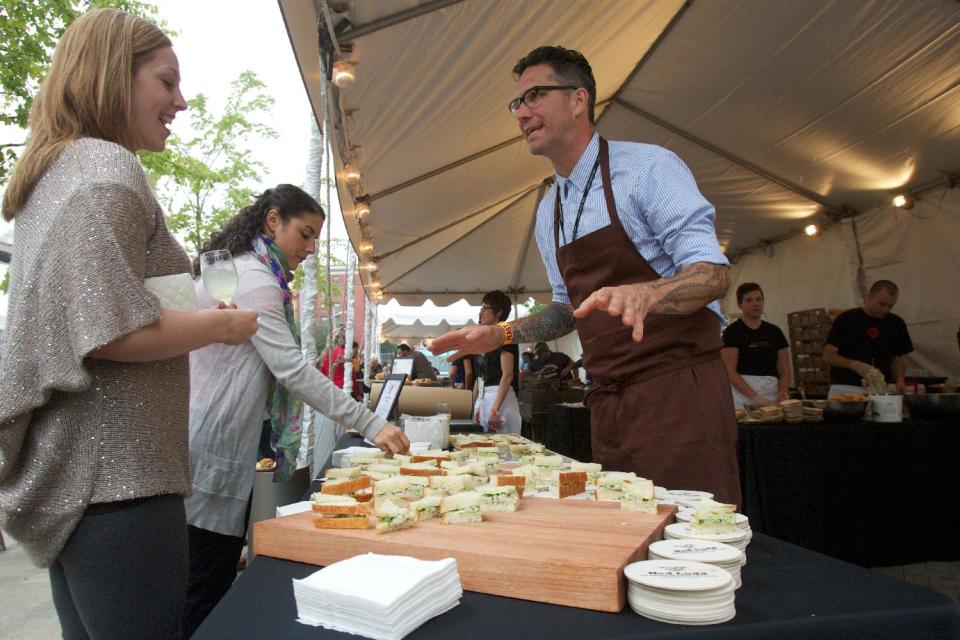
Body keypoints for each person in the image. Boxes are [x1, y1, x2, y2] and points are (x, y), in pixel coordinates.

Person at [0, 9, 259, 638]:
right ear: (117, 76)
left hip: (83, 476)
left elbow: (97, 316)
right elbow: (111, 332)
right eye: (166, 82)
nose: (182, 101)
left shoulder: (56, 174)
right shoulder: (105, 172)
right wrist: (221, 328)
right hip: (121, 475)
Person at [431, 46, 739, 504]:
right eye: (517, 103)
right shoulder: (549, 210)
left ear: (579, 99)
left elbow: (713, 275)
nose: (522, 112)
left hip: (678, 394)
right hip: (607, 404)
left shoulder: (649, 169)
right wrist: (502, 333)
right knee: (621, 541)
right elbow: (565, 310)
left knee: (694, 543)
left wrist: (649, 295)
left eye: (535, 95)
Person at [182, 185, 409, 637]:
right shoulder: (256, 281)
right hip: (210, 446)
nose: (309, 248)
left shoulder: (247, 271)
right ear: (272, 221)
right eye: (304, 234)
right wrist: (370, 422)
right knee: (203, 591)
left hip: (203, 439)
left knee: (199, 580)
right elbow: (292, 371)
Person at [823, 280, 913, 396]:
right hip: (846, 389)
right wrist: (854, 365)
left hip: (880, 389)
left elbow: (897, 358)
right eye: (881, 304)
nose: (885, 310)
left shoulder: (896, 323)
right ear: (870, 297)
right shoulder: (847, 319)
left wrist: (900, 380)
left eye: (890, 306)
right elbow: (828, 356)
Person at [721, 283, 791, 408]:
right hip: (742, 397)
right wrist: (755, 397)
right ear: (739, 304)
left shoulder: (775, 332)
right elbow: (729, 370)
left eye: (759, 299)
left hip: (772, 395)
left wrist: (782, 394)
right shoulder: (733, 332)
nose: (755, 303)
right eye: (749, 300)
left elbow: (785, 370)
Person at [473, 291, 522, 433]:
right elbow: (480, 376)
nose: (480, 312)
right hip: (485, 397)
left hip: (501, 398)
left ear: (499, 312)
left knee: (505, 449)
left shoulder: (506, 334)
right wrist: (477, 404)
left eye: (484, 308)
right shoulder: (484, 338)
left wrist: (495, 410)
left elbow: (507, 375)